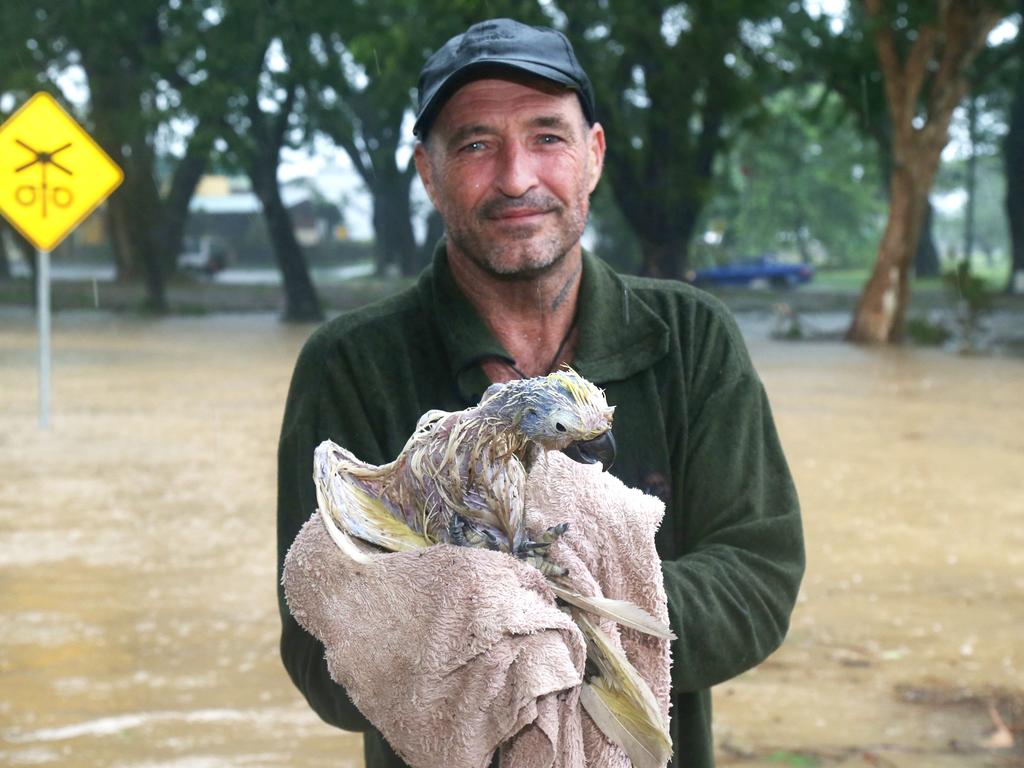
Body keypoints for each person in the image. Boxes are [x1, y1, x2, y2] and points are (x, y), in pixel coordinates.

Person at [277, 18, 804, 768]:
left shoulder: (692, 339)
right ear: (427, 173)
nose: (517, 177)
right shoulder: (352, 364)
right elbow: (317, 648)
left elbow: (758, 578)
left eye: (547, 137)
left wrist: (544, 619)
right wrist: (559, 622)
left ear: (593, 156)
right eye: (475, 144)